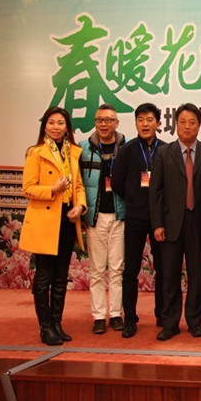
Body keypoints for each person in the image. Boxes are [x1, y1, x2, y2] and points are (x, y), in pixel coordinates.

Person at [20, 107, 86, 346]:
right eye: (51, 123)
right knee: (44, 277)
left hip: (67, 220)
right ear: (44, 126)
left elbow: (78, 186)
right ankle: (45, 326)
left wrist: (80, 206)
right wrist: (53, 190)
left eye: (61, 123)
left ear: (67, 127)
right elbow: (28, 188)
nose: (56, 127)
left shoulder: (73, 152)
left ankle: (57, 323)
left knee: (60, 276)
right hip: (45, 221)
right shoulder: (36, 152)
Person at [149, 103, 201, 341]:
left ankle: (195, 321)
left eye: (192, 122)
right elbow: (156, 191)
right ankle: (170, 323)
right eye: (182, 122)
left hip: (198, 222)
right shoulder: (164, 153)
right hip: (171, 222)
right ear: (175, 124)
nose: (187, 127)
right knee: (170, 275)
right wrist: (157, 224)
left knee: (196, 275)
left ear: (199, 126)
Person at [112, 102, 166, 338]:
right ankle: (130, 318)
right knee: (130, 270)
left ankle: (162, 314)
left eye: (150, 120)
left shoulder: (165, 150)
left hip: (159, 219)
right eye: (141, 120)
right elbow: (116, 182)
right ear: (135, 123)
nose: (145, 124)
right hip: (134, 216)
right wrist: (134, 197)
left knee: (162, 268)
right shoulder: (127, 150)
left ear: (158, 123)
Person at [79, 103, 126, 334]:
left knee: (117, 268)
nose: (104, 124)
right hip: (94, 218)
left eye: (108, 120)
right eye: (99, 120)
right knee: (97, 270)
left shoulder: (126, 148)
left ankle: (116, 314)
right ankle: (98, 316)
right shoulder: (83, 148)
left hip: (120, 217)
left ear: (117, 123)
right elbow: (78, 183)